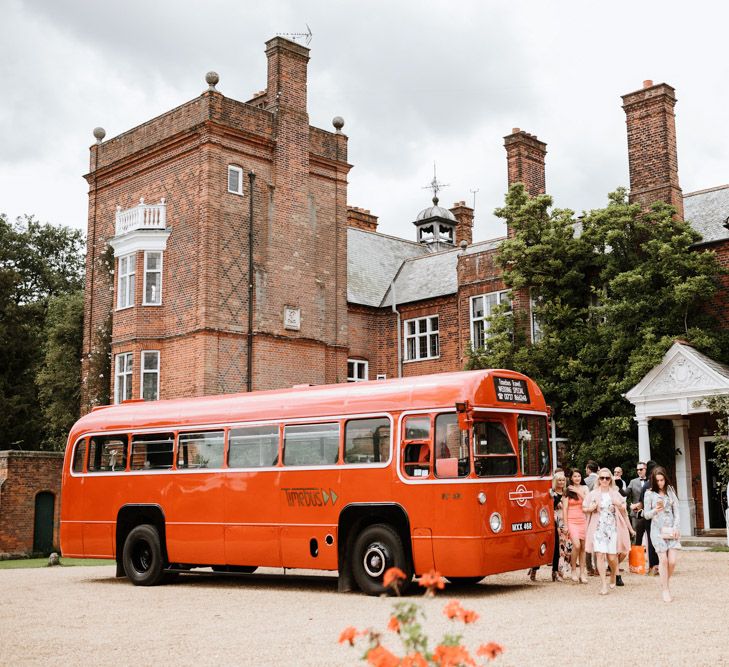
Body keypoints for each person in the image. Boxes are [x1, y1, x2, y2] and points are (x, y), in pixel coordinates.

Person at [583, 468, 633, 595]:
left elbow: (624, 510)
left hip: (612, 529)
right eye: (602, 478)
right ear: (598, 480)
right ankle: (603, 584)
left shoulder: (615, 493)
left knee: (612, 557)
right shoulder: (593, 493)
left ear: (610, 479)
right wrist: (591, 508)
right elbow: (584, 508)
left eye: (607, 478)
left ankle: (613, 575)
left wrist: (618, 506)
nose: (604, 480)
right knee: (599, 555)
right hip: (598, 528)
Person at [643, 466, 681, 602]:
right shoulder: (649, 494)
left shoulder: (670, 491)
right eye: (657, 480)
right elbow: (645, 514)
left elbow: (677, 511)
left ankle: (664, 582)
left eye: (662, 480)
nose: (660, 483)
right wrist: (655, 510)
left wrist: (676, 527)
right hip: (657, 531)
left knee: (672, 561)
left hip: (671, 530)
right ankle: (665, 589)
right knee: (663, 560)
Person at [528, 469, 570, 582]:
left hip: (561, 521)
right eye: (559, 480)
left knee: (559, 547)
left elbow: (566, 509)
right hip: (550, 520)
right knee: (543, 544)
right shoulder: (550, 492)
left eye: (562, 480)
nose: (561, 482)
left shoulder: (565, 493)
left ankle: (555, 572)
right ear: (555, 481)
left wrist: (566, 524)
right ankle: (534, 569)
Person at [562, 468, 588, 583]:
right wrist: (566, 525)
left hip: (583, 520)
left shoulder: (585, 488)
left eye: (579, 476)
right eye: (575, 476)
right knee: (576, 545)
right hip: (572, 521)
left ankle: (582, 572)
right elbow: (565, 508)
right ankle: (573, 569)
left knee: (583, 547)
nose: (577, 478)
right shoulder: (567, 490)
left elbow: (588, 501)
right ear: (571, 478)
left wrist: (578, 491)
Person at [640, 460, 660, 574]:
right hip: (656, 516)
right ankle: (658, 564)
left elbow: (641, 502)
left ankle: (653, 565)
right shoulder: (654, 485)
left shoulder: (647, 485)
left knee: (652, 542)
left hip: (649, 517)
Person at [625, 462, 647, 543]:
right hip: (636, 513)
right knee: (636, 535)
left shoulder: (651, 480)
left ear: (646, 470)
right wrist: (619, 488)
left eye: (641, 469)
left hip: (649, 511)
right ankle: (637, 555)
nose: (638, 471)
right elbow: (626, 493)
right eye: (637, 470)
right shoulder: (633, 482)